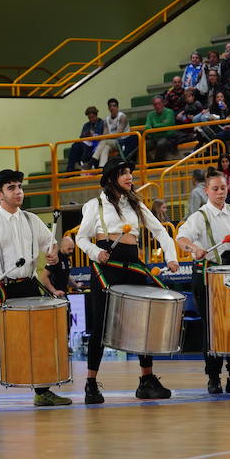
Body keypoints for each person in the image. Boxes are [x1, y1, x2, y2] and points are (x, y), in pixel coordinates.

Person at [0, 169, 71, 410]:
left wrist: (52, 254)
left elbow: (50, 244)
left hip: (28, 283)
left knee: (38, 339)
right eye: (11, 187)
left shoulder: (31, 219)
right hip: (1, 287)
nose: (18, 191)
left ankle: (42, 391)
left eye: (19, 186)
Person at [75, 158, 180, 404]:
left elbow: (161, 231)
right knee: (100, 325)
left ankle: (146, 380)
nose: (129, 176)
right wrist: (95, 252)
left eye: (130, 173)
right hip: (106, 266)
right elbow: (81, 238)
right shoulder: (95, 205)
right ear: (111, 178)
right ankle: (91, 383)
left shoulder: (136, 205)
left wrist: (171, 257)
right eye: (124, 173)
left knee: (144, 322)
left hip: (132, 265)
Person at [176, 167, 230, 395]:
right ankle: (213, 376)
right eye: (215, 189)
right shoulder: (200, 216)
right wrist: (194, 248)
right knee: (213, 327)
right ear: (206, 190)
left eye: (223, 188)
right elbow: (181, 238)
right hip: (208, 275)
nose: (220, 192)